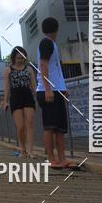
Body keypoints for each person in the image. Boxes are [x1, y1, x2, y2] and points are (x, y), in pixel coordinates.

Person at [36, 17, 77, 168]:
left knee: (60, 127)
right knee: (50, 126)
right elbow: (43, 65)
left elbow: (56, 69)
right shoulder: (46, 42)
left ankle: (62, 158)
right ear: (57, 28)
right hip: (48, 90)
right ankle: (52, 159)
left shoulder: (52, 44)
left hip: (56, 89)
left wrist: (62, 87)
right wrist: (48, 89)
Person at [3, 46, 36, 159]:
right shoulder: (8, 70)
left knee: (30, 123)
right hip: (15, 98)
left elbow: (34, 86)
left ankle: (31, 150)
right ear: (14, 58)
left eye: (22, 57)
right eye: (18, 58)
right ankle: (23, 149)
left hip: (28, 97)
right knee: (20, 126)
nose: (21, 60)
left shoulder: (29, 69)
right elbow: (7, 87)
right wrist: (5, 101)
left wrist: (38, 97)